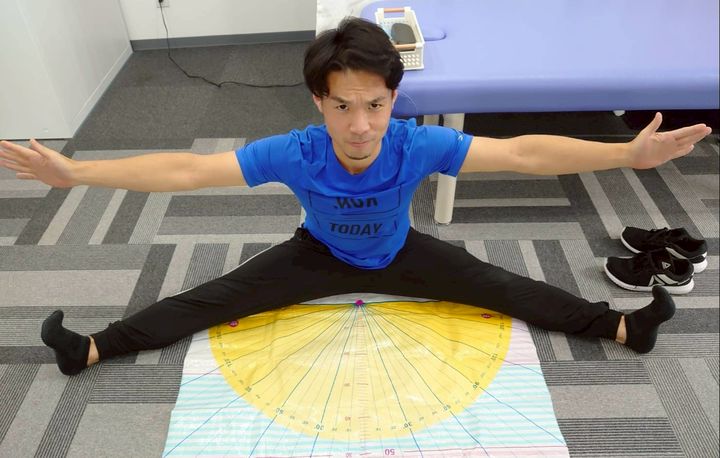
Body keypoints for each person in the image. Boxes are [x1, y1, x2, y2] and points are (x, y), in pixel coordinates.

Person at [0, 18, 712, 376]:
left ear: (394, 99)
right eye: (342, 106)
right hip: (316, 256)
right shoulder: (296, 152)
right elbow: (188, 171)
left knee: (505, 287)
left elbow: (523, 153)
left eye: (375, 104)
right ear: (319, 101)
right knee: (209, 299)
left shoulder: (416, 143)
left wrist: (626, 153)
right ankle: (90, 349)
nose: (361, 125)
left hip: (402, 253)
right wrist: (77, 174)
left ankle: (625, 328)